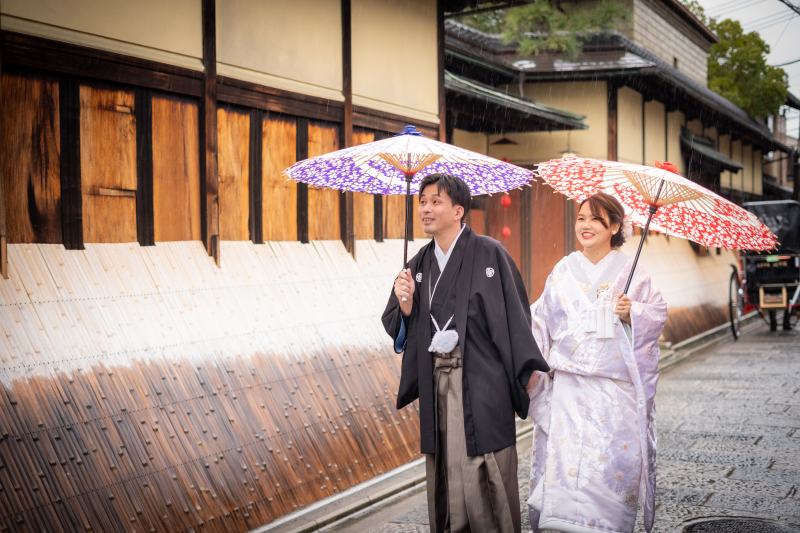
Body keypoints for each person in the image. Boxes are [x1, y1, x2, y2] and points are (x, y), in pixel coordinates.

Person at [382, 174, 550, 533]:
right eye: (422, 201)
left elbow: (516, 317)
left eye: (435, 201)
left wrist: (525, 372)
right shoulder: (418, 265)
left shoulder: (491, 254)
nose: (426, 208)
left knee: (485, 466)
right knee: (445, 468)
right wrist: (407, 305)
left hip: (482, 382)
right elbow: (397, 324)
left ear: (459, 210)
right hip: (436, 385)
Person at [525, 193, 667, 533]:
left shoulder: (634, 274)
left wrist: (633, 312)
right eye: (581, 218)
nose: (585, 226)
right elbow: (539, 323)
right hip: (568, 392)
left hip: (612, 397)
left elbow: (657, 314)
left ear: (615, 227)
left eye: (596, 220)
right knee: (564, 476)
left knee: (607, 475)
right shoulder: (562, 270)